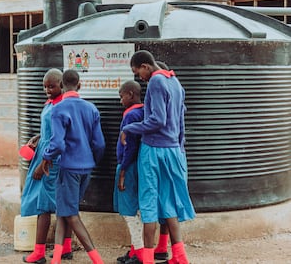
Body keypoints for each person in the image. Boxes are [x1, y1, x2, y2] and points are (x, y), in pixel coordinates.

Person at [121, 50, 196, 264]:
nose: (139, 78)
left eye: (138, 72)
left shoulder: (156, 81)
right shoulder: (175, 82)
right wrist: (179, 148)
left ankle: (147, 260)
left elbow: (157, 120)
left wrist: (129, 128)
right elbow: (181, 118)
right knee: (169, 202)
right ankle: (180, 256)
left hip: (153, 151)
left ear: (146, 66)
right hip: (173, 150)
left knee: (148, 204)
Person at [37, 69, 105, 264]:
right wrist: (92, 161)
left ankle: (97, 259)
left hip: (68, 169)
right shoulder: (91, 108)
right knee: (63, 212)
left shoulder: (58, 109)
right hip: (86, 168)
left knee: (71, 215)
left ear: (62, 85)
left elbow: (57, 144)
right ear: (79, 85)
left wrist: (46, 157)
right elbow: (99, 144)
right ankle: (56, 258)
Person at [20, 68, 73, 264]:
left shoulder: (61, 106)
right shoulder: (52, 104)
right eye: (45, 87)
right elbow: (51, 132)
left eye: (51, 86)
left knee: (44, 206)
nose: (47, 90)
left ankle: (39, 252)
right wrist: (39, 137)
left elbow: (59, 138)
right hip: (47, 153)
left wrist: (43, 164)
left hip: (51, 160)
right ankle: (65, 247)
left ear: (62, 85)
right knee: (60, 204)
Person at [114, 80, 169, 264]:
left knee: (129, 211)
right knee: (137, 209)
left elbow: (129, 146)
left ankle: (138, 252)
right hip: (141, 166)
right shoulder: (144, 112)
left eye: (121, 96)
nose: (120, 100)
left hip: (128, 167)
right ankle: (134, 251)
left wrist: (122, 171)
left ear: (130, 94)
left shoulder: (130, 116)